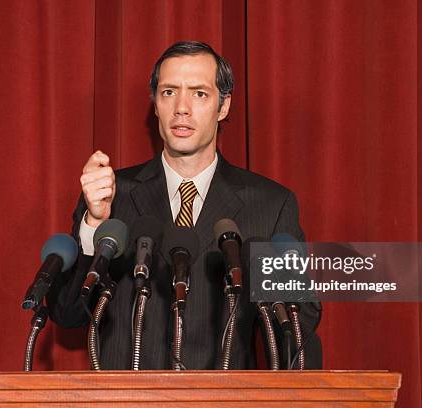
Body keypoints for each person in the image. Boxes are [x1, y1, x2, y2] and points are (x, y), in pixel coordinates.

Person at [48, 41, 322, 369]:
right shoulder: (111, 195)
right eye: (168, 92)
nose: (182, 107)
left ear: (223, 107)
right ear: (155, 105)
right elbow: (67, 313)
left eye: (199, 93)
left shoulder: (268, 205)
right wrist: (94, 224)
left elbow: (297, 330)